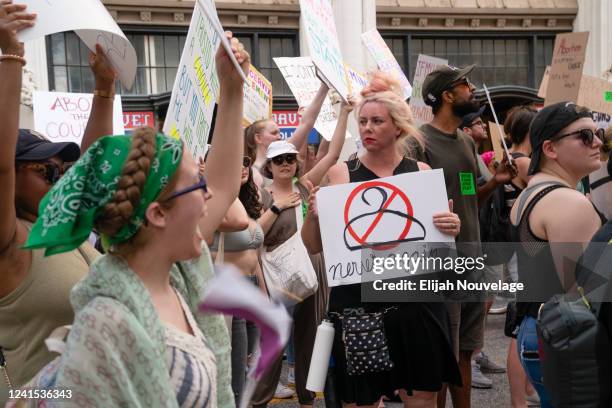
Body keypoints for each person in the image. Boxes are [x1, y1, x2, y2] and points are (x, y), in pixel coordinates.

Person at [20, 33, 250, 407]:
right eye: (197, 184)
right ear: (158, 215)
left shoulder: (181, 274)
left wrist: (231, 88)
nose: (209, 194)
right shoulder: (104, 327)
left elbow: (224, 186)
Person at [319, 71, 462, 408]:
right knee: (361, 399)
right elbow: (315, 245)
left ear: (398, 126)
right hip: (359, 305)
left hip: (415, 304)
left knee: (423, 395)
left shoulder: (422, 174)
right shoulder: (341, 174)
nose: (366, 128)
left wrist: (450, 228)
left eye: (376, 121)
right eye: (363, 121)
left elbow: (440, 257)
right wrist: (316, 217)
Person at [0, 3, 119, 404]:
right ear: (12, 177)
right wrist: (12, 56)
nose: (62, 178)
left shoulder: (63, 228)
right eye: (46, 171)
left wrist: (104, 88)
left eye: (62, 169)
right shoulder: (10, 242)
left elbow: (93, 164)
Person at [420, 64, 512, 408]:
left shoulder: (465, 141)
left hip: (472, 257)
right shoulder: (418, 142)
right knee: (444, 351)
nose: (472, 89)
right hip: (441, 264)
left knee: (465, 351)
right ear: (447, 95)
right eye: (465, 84)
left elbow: (469, 194)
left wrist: (495, 182)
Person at [251, 98, 353, 408]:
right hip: (277, 279)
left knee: (310, 341)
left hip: (313, 272)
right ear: (269, 165)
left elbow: (333, 153)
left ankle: (308, 400)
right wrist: (263, 289)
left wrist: (345, 113)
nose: (285, 164)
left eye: (290, 160)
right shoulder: (261, 196)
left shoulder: (307, 186)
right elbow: (255, 241)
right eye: (279, 160)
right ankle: (258, 401)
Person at [509, 101, 605, 408]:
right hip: (568, 338)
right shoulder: (568, 202)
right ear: (550, 148)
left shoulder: (532, 191)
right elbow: (589, 292)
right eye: (585, 136)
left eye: (598, 133)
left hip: (539, 330)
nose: (598, 142)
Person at [209, 151, 267, 405]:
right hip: (228, 292)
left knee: (248, 370)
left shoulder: (246, 199)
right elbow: (238, 222)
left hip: (251, 290)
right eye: (233, 161)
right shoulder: (216, 201)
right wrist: (220, 182)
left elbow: (256, 255)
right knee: (233, 376)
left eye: (245, 162)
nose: (242, 167)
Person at [245, 84, 329, 187]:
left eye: (290, 158)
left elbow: (306, 124)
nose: (279, 137)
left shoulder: (282, 150)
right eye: (274, 133)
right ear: (258, 138)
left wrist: (324, 87)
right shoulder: (253, 175)